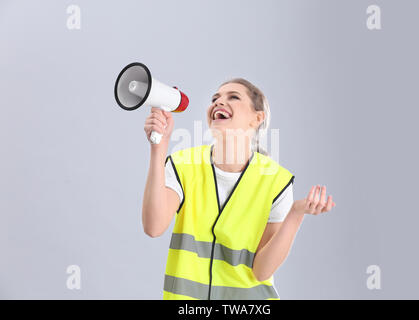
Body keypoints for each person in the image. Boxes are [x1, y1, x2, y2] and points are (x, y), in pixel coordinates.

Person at [142, 78, 336, 300]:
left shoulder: (276, 181)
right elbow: (153, 227)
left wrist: (295, 214)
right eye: (214, 98)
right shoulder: (182, 165)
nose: (218, 102)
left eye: (233, 97)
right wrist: (159, 147)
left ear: (258, 117)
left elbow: (261, 271)